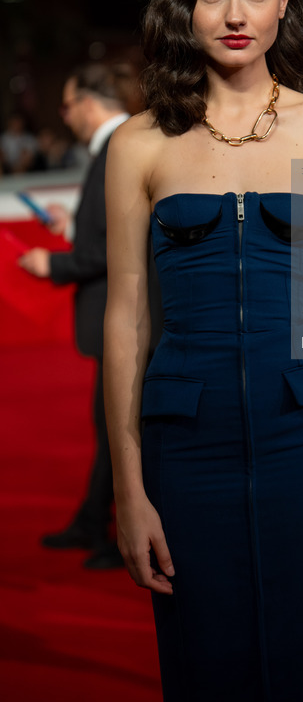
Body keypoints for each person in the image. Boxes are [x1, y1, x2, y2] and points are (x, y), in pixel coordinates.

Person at [102, 0, 303, 702]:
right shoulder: (140, 143)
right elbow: (126, 319)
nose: (234, 14)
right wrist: (129, 487)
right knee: (204, 669)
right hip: (185, 448)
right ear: (183, 5)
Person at [18, 62, 134, 568]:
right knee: (112, 427)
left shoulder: (120, 147)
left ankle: (116, 530)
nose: (65, 117)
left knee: (123, 429)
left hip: (124, 317)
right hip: (118, 315)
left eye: (67, 105)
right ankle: (95, 521)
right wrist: (72, 229)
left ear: (89, 101)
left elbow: (120, 250)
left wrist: (55, 262)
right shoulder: (116, 146)